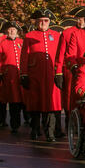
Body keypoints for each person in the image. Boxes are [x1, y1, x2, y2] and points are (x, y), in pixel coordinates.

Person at [20, 9, 61, 141]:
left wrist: (59, 72)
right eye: (40, 21)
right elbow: (24, 56)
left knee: (51, 104)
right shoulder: (29, 36)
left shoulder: (56, 35)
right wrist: (24, 74)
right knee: (35, 103)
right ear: (36, 22)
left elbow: (60, 56)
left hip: (51, 75)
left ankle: (50, 132)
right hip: (35, 74)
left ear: (49, 22)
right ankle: (35, 128)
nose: (43, 23)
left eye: (46, 21)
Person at [54, 6, 85, 134]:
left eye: (84, 18)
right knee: (69, 100)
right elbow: (61, 54)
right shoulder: (67, 33)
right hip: (70, 70)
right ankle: (70, 123)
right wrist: (58, 72)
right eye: (79, 18)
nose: (81, 21)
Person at [0, 21, 24, 134]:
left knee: (22, 101)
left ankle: (26, 121)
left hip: (21, 76)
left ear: (17, 31)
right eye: (10, 29)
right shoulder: (2, 44)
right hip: (9, 78)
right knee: (12, 102)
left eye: (14, 30)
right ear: (7, 31)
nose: (12, 31)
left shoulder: (21, 42)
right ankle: (13, 124)